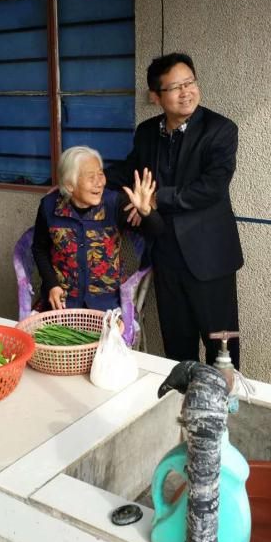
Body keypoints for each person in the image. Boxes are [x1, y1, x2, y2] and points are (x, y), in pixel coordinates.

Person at [105, 53, 243, 365]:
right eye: (175, 87)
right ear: (156, 96)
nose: (186, 92)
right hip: (165, 253)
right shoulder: (147, 131)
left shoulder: (220, 130)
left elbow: (212, 187)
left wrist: (155, 200)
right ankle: (183, 394)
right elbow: (131, 171)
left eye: (189, 83)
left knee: (222, 349)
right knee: (177, 347)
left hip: (210, 258)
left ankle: (224, 396)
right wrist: (89, 179)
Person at [32, 146, 162, 316]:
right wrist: (52, 284)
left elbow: (157, 231)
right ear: (70, 185)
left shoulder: (115, 203)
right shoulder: (49, 206)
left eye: (100, 174)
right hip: (63, 303)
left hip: (107, 305)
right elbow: (39, 248)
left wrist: (146, 212)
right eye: (91, 177)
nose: (99, 182)